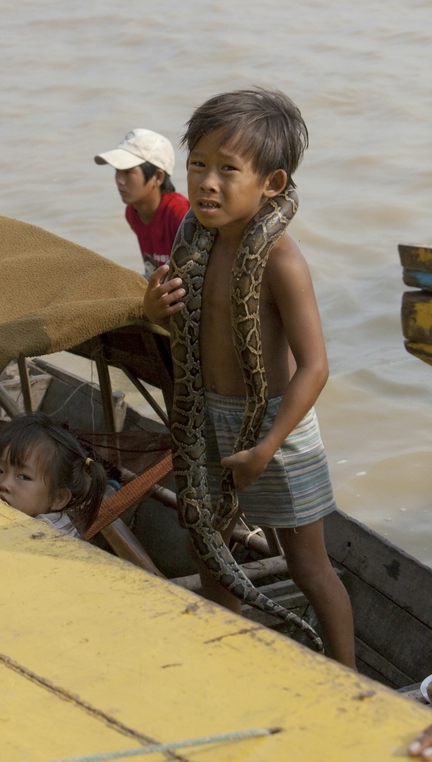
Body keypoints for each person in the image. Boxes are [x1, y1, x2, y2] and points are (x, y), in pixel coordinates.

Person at [143, 88, 355, 668]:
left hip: (276, 427)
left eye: (228, 169)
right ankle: (232, 664)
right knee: (208, 550)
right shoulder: (193, 244)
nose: (207, 183)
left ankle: (351, 679)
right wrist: (152, 308)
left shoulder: (281, 259)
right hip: (205, 415)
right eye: (197, 165)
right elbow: (179, 326)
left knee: (308, 566)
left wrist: (266, 447)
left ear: (272, 184)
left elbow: (315, 367)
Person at [0, 413, 106, 539]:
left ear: (58, 498)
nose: (4, 484)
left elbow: (20, 530)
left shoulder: (54, 532)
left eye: (23, 477)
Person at [95, 128, 190, 277]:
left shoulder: (180, 212)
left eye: (128, 172)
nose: (119, 180)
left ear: (158, 177)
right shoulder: (132, 212)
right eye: (117, 171)